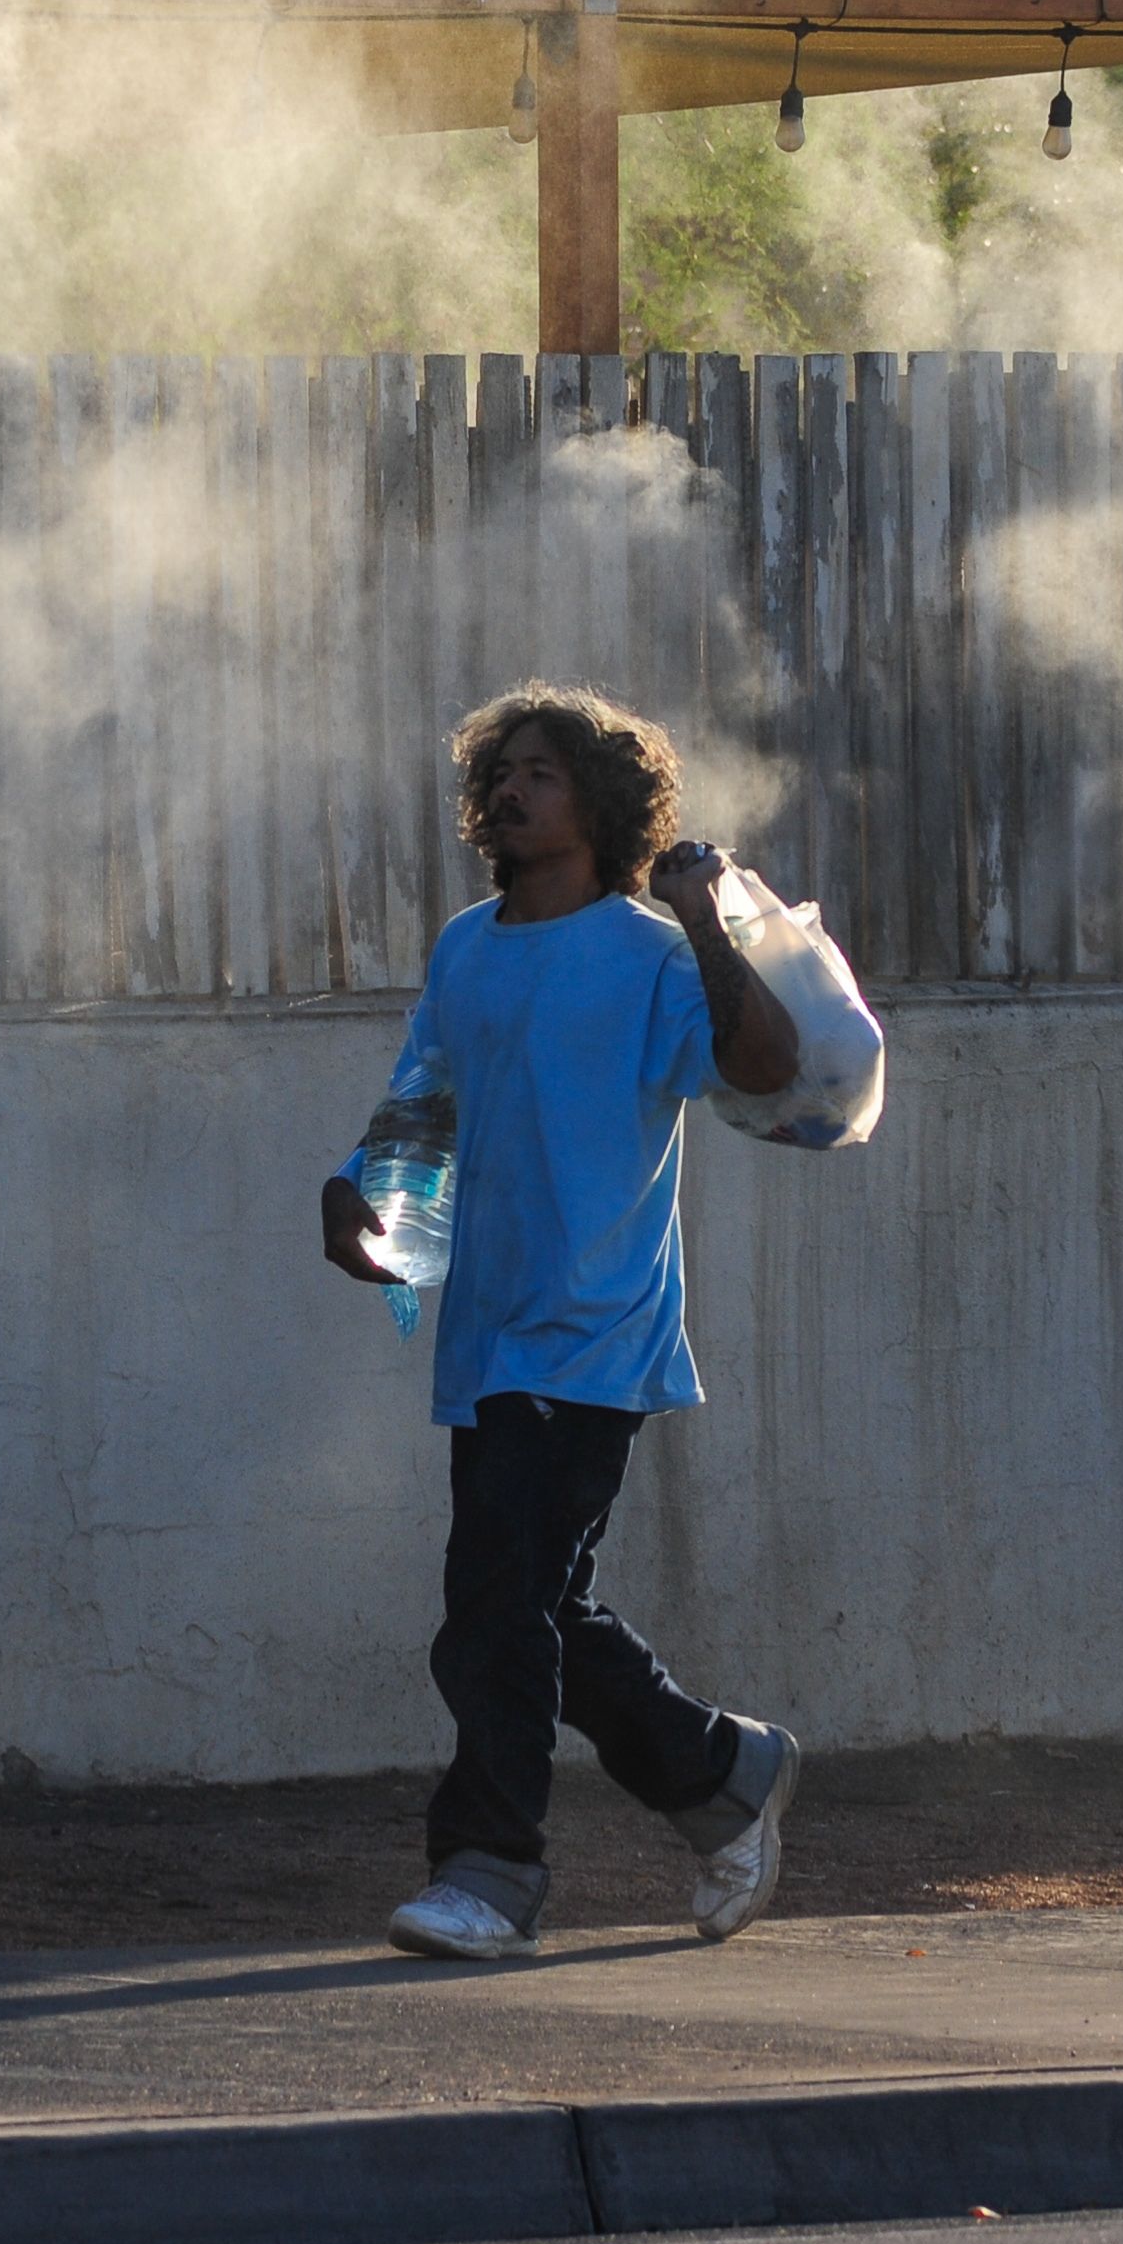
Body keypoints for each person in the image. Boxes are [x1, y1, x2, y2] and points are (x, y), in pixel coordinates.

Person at [322, 683, 805, 1962]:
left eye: (542, 771)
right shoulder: (467, 945)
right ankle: (720, 1772)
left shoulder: (647, 950)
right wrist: (361, 1195)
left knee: (492, 1604)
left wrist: (703, 917)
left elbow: (760, 1066)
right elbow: (425, 1091)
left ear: (599, 804)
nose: (514, 789)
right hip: (485, 1326)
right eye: (503, 769)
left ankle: (489, 1870)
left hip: (593, 1325)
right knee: (533, 1603)